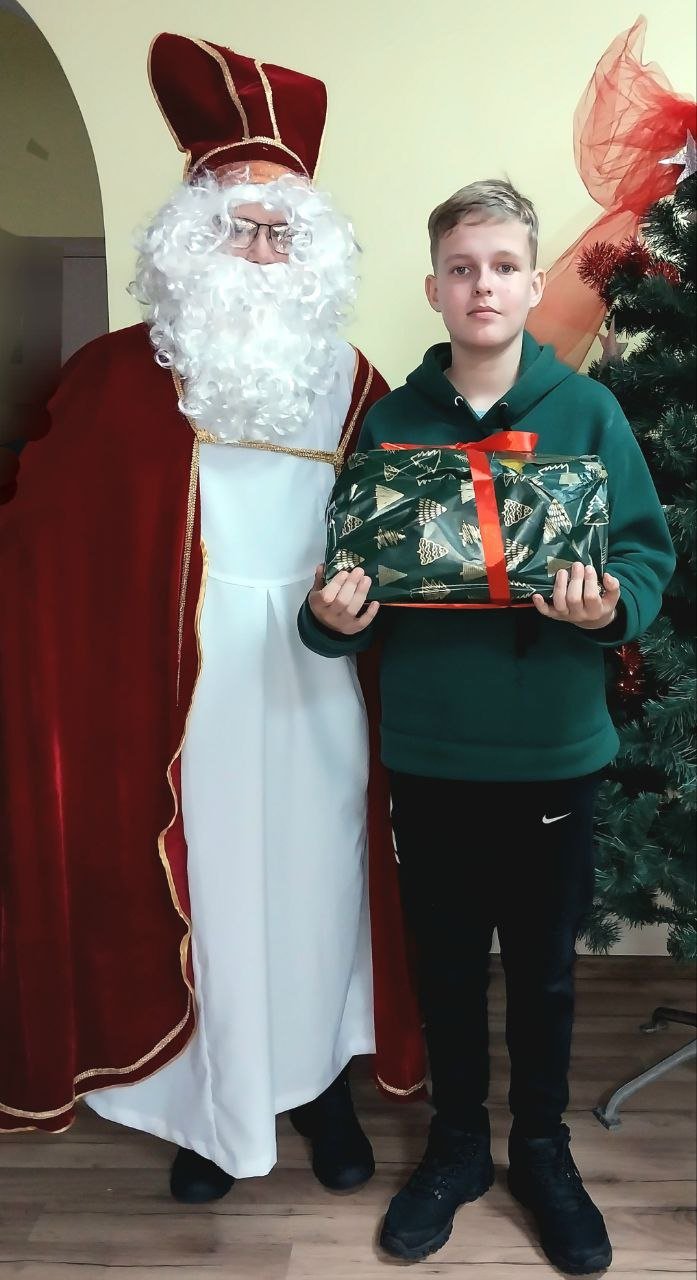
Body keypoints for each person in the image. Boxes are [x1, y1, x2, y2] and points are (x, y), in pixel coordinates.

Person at [0, 31, 426, 1203]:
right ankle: (212, 1105)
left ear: (313, 248)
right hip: (178, 691)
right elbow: (47, 548)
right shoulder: (114, 376)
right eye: (240, 227)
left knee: (320, 878)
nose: (262, 251)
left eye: (283, 231)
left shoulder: (355, 381)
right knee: (211, 888)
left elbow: (397, 534)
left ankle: (317, 1083)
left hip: (317, 673)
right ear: (191, 239)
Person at [299, 179, 676, 1272]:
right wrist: (330, 620)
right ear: (433, 287)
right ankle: (457, 1143)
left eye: (504, 266)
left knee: (545, 970)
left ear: (531, 281)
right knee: (449, 963)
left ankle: (541, 1148)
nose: (482, 285)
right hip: (430, 752)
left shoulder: (588, 413)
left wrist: (609, 607)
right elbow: (348, 578)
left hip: (553, 748)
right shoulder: (389, 425)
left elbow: (643, 555)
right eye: (461, 268)